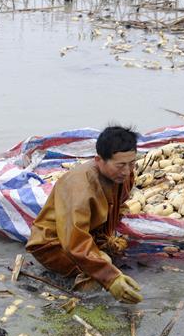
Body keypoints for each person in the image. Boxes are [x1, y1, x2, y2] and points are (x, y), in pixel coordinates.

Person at [26, 126, 143, 304]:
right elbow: (74, 241)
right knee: (102, 264)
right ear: (99, 160)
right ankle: (84, 303)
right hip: (54, 243)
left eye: (132, 163)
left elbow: (118, 205)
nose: (127, 171)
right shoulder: (80, 187)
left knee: (114, 252)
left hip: (89, 233)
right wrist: (111, 278)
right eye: (120, 165)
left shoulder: (123, 176)